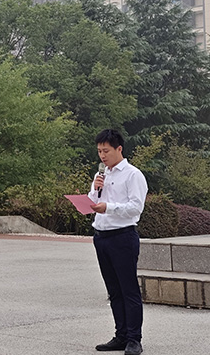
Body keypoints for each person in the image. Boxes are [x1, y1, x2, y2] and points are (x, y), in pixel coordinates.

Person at [88, 129, 148, 355]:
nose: (102, 156)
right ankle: (121, 335)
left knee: (128, 289)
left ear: (119, 149)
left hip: (122, 237)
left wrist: (109, 208)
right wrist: (94, 192)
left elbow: (135, 208)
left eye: (106, 151)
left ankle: (134, 339)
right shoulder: (101, 175)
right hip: (101, 237)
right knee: (113, 290)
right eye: (99, 151)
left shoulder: (133, 175)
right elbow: (94, 202)